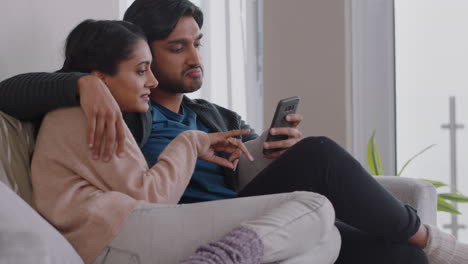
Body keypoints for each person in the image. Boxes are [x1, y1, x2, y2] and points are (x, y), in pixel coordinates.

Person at [1, 0, 468, 263]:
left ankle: (421, 243)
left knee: (396, 254)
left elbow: (243, 176)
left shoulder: (212, 115)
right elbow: (12, 92)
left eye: (198, 44)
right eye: (176, 48)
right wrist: (81, 84)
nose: (194, 59)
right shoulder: (117, 111)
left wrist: (272, 153)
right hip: (172, 223)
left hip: (245, 212)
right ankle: (434, 240)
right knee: (326, 163)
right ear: (140, 52)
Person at [30, 19, 340, 264]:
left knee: (328, 238)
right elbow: (149, 195)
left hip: (125, 230)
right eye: (141, 71)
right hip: (112, 237)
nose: (151, 81)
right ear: (100, 79)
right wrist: (190, 142)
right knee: (315, 206)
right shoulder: (88, 114)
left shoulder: (100, 112)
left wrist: (273, 153)